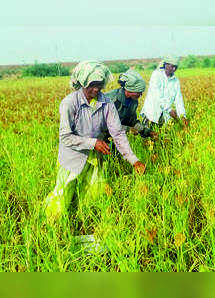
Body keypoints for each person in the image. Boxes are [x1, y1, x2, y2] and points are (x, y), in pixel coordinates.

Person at [45, 61, 145, 223]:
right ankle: (52, 229)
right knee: (63, 197)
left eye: (99, 85)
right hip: (72, 158)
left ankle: (84, 224)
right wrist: (93, 143)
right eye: (91, 85)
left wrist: (134, 160)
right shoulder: (70, 103)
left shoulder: (107, 103)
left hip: (94, 159)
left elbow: (118, 133)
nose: (96, 89)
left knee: (93, 196)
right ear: (82, 83)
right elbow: (65, 137)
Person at [104, 69, 158, 143]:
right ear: (129, 90)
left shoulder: (133, 101)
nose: (141, 95)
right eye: (138, 92)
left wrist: (148, 132)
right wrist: (128, 129)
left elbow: (132, 122)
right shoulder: (110, 100)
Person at [140, 56, 189, 131]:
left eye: (176, 67)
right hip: (152, 113)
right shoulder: (156, 75)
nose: (174, 69)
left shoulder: (175, 81)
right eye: (172, 66)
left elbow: (178, 100)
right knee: (148, 135)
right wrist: (169, 109)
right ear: (166, 65)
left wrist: (182, 115)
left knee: (162, 137)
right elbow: (157, 95)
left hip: (164, 116)